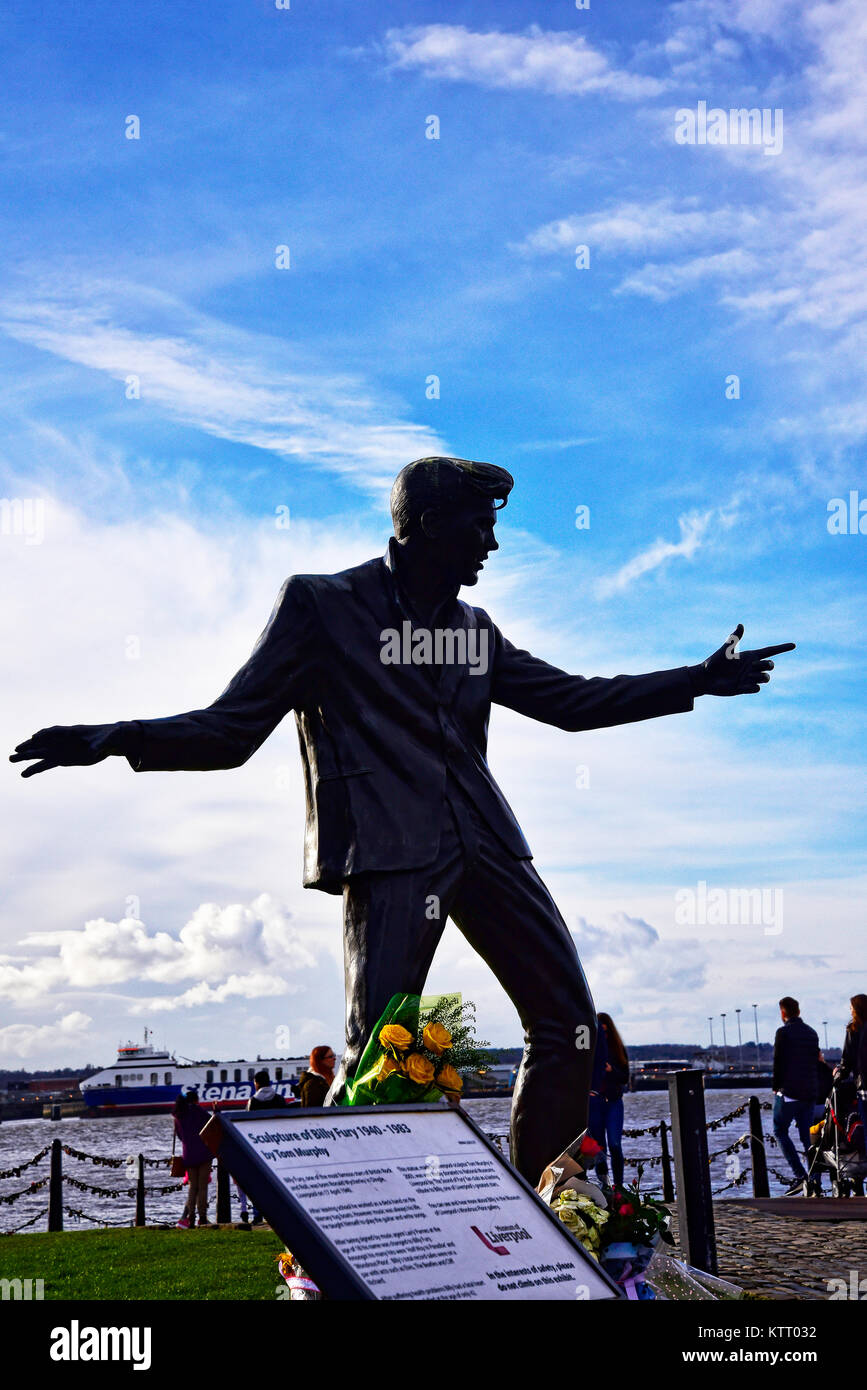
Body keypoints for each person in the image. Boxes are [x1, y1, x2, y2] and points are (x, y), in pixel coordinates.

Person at [10, 456, 795, 1185]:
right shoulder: (322, 605)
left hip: (486, 842)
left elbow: (572, 702)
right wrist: (115, 738)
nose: (491, 542)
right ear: (424, 525)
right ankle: (349, 1247)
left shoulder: (473, 631)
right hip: (388, 852)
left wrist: (696, 679)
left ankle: (547, 1217)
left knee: (568, 1028)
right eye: (478, 525)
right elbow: (230, 729)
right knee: (376, 1055)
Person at [772, 997, 821, 1195]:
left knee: (780, 1131)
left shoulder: (783, 1033)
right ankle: (815, 1179)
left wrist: (776, 1087)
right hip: (809, 1092)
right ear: (798, 1011)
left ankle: (800, 1175)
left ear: (783, 1013)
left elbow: (778, 1062)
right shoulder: (812, 1033)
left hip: (789, 1092)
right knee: (807, 1137)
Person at [588, 1012, 630, 1188]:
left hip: (613, 1102)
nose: (603, 1037)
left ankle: (619, 1186)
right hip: (595, 1102)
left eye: (605, 1032)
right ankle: (604, 1184)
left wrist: (611, 1070)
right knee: (599, 1148)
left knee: (614, 1144)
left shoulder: (618, 1050)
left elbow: (625, 1077)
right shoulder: (590, 1051)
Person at [173, 1087, 213, 1228]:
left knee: (192, 1188)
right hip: (204, 1153)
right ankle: (202, 1218)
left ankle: (190, 1218)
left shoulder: (179, 1116)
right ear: (196, 1100)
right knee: (202, 1188)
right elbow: (212, 1123)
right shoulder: (198, 1111)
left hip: (188, 1155)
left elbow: (179, 1136)